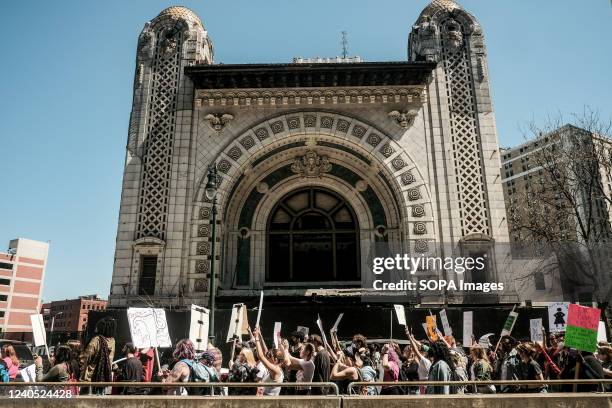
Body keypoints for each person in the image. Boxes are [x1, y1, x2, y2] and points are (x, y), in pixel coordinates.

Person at [79, 316, 116, 391]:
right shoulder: (112, 341)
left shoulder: (96, 340)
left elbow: (84, 358)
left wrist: (81, 374)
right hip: (104, 378)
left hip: (90, 378)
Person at [253, 327, 284, 396]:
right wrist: (260, 336)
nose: (268, 356)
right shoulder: (277, 367)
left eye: (271, 356)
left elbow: (261, 357)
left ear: (275, 360)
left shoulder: (276, 370)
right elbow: (266, 351)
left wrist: (257, 338)